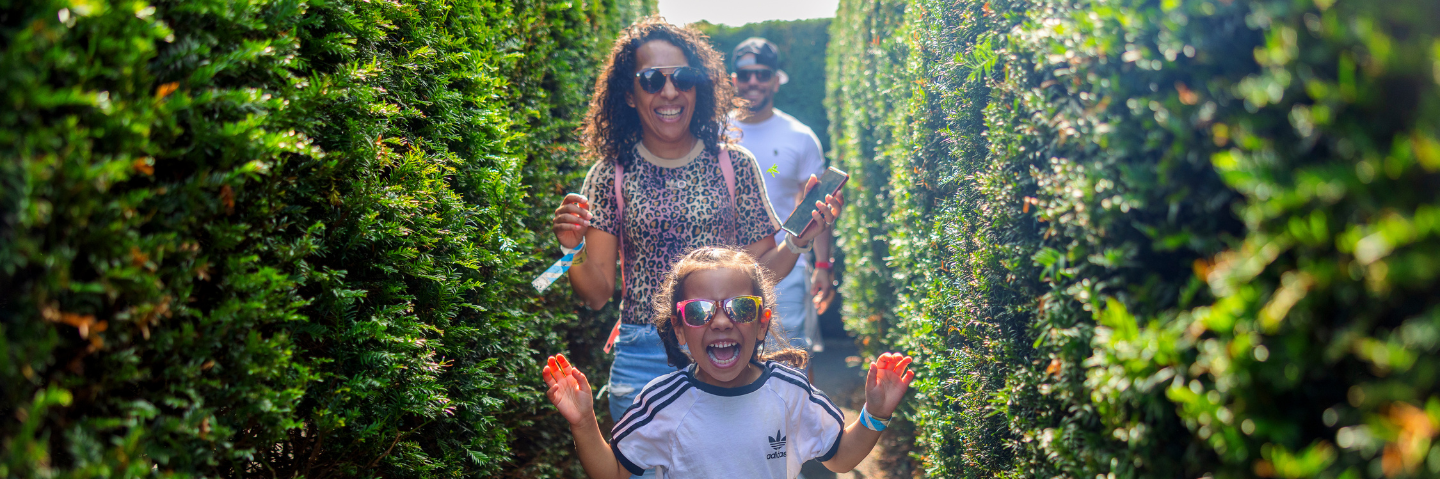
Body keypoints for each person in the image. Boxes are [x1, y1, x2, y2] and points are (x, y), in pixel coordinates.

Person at [548, 17, 846, 433]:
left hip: (725, 353)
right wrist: (571, 250)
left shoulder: (735, 165)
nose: (669, 91)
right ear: (629, 95)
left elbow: (761, 270)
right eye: (651, 79)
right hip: (643, 360)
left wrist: (799, 242)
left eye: (683, 78)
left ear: (698, 87)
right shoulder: (610, 173)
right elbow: (597, 295)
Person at [541, 247, 917, 478]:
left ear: (761, 324)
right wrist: (585, 423)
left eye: (739, 307)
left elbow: (840, 457)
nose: (721, 321)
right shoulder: (661, 401)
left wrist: (874, 414)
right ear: (680, 329)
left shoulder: (790, 390)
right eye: (700, 310)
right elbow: (614, 473)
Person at [728, 37, 834, 354]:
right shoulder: (712, 133)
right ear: (734, 80)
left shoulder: (800, 138)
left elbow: (817, 208)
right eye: (745, 75)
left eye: (762, 74)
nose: (753, 82)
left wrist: (823, 266)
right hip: (720, 273)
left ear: (776, 80)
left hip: (785, 271)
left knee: (790, 361)